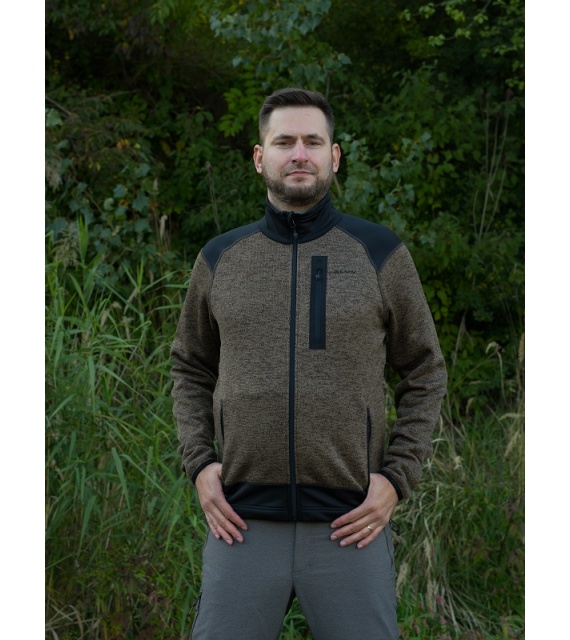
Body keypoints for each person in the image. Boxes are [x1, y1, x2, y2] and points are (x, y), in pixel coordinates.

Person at [170, 88, 447, 639]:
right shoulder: (221, 259)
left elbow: (425, 370)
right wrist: (199, 465)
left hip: (350, 527)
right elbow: (190, 367)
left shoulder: (379, 253)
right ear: (259, 157)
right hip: (241, 525)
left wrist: (397, 478)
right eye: (284, 142)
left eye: (313, 142)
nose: (299, 154)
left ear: (334, 156)